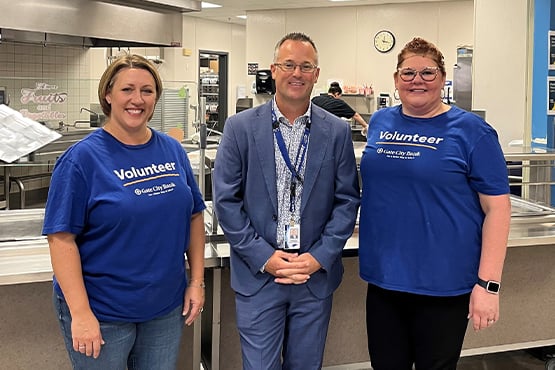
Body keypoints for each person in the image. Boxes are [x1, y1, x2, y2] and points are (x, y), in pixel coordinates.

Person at [42, 53, 206, 370]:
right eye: (127, 89)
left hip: (164, 308)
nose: (137, 99)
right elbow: (61, 239)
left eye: (147, 91)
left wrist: (196, 282)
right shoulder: (82, 159)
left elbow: (194, 215)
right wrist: (81, 314)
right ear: (108, 95)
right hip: (102, 312)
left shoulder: (171, 149)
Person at [358, 37, 511, 370]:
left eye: (428, 72)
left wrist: (488, 285)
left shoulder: (473, 132)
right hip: (385, 279)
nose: (417, 80)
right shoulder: (381, 123)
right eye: (408, 72)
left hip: (443, 284)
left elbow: (498, 209)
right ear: (396, 80)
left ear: (442, 79)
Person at [212, 32, 360, 370]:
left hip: (313, 277)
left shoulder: (336, 131)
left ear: (317, 74)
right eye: (289, 64)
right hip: (260, 275)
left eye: (306, 66)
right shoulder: (239, 128)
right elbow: (226, 202)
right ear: (273, 70)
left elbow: (347, 200)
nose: (297, 73)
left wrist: (318, 257)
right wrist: (265, 257)